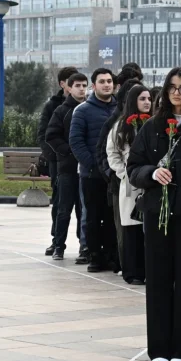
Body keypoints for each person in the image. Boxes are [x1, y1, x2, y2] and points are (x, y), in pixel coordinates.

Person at [127, 68, 181, 361]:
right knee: (159, 279)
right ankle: (159, 348)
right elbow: (133, 167)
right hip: (156, 214)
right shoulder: (152, 127)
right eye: (172, 87)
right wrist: (151, 173)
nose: (177, 93)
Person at [70, 68, 119, 273]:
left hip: (114, 174)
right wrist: (94, 164)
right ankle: (94, 256)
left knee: (111, 217)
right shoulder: (83, 110)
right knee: (92, 217)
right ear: (94, 86)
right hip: (91, 175)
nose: (106, 85)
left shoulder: (120, 109)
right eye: (102, 82)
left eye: (109, 81)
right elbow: (76, 142)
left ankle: (110, 255)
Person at [106, 84, 151, 285]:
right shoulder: (121, 125)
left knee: (148, 229)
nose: (147, 102)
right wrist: (124, 172)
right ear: (133, 101)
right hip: (130, 183)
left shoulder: (153, 123)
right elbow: (112, 152)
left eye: (149, 99)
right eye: (142, 99)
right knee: (131, 228)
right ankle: (132, 272)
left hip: (151, 181)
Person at [45, 73, 88, 261]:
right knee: (64, 209)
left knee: (83, 211)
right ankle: (59, 245)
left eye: (84, 85)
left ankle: (84, 246)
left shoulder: (89, 109)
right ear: (69, 88)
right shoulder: (62, 111)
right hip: (67, 169)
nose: (81, 89)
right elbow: (51, 136)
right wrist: (69, 152)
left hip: (86, 169)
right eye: (77, 85)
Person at [38, 66, 78, 256]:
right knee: (60, 203)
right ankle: (56, 240)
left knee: (81, 204)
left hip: (80, 163)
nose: (77, 86)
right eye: (72, 82)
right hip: (59, 162)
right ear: (63, 84)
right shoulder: (53, 106)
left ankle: (84, 242)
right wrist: (57, 155)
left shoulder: (84, 105)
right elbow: (44, 135)